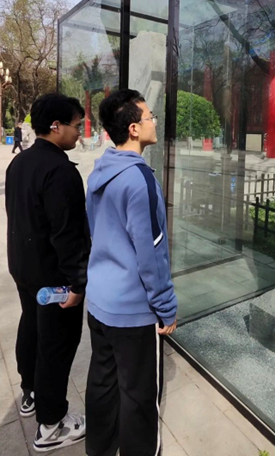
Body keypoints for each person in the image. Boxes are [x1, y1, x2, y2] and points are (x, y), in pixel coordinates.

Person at [85, 89, 177, 456]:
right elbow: (151, 256)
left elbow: (96, 231)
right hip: (132, 311)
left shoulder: (101, 170)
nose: (155, 122)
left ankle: (100, 449)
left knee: (103, 383)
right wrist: (166, 307)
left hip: (99, 301)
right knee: (138, 395)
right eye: (151, 116)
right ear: (135, 128)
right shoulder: (139, 179)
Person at [5, 93, 90, 453]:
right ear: (56, 126)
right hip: (53, 277)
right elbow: (66, 234)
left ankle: (30, 392)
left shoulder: (20, 163)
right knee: (56, 345)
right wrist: (78, 283)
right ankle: (52, 425)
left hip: (24, 268)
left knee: (31, 328)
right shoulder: (61, 172)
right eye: (76, 125)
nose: (79, 133)